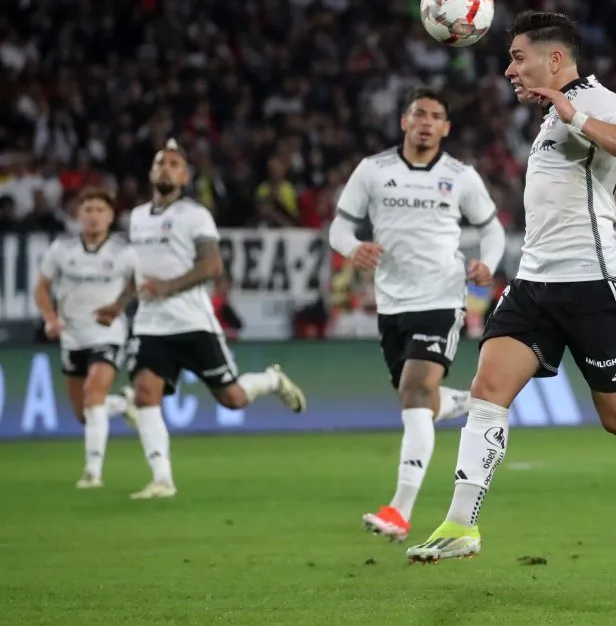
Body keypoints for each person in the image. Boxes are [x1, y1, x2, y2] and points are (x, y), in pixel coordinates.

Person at [406, 11, 616, 563]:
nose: (509, 68)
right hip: (534, 282)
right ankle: (461, 526)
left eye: (517, 56)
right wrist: (604, 191)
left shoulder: (595, 100)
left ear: (554, 60)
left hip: (594, 285)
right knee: (487, 393)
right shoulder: (552, 114)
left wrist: (574, 114)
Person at [329, 87, 506, 541]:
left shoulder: (460, 176)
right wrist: (354, 247)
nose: (427, 122)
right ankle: (471, 404)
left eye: (436, 116)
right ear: (404, 121)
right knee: (419, 402)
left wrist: (487, 263)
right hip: (391, 304)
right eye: (419, 114)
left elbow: (492, 229)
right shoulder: (373, 170)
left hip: (442, 298)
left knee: (413, 392)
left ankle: (399, 511)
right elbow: (339, 227)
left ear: (446, 128)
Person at [95, 139, 307, 500]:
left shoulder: (195, 215)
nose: (166, 168)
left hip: (193, 322)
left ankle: (271, 380)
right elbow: (137, 272)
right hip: (150, 324)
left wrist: (169, 286)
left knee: (233, 398)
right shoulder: (137, 217)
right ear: (151, 172)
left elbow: (212, 265)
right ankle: (162, 479)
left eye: (174, 164)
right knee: (147, 394)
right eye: (160, 163)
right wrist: (119, 304)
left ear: (185, 176)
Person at [33, 186, 138, 488]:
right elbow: (41, 287)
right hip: (72, 336)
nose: (93, 217)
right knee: (83, 414)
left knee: (94, 394)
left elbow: (137, 284)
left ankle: (93, 472)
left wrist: (117, 306)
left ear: (111, 216)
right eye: (88, 210)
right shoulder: (62, 249)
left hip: (107, 334)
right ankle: (122, 404)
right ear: (78, 214)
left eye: (100, 211)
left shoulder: (123, 252)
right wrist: (51, 319)